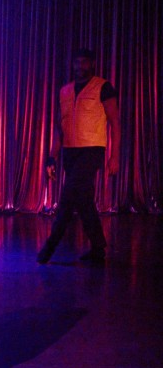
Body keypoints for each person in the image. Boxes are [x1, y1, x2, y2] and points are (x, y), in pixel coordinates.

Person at [37, 48, 121, 264]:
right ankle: (98, 248)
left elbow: (114, 122)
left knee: (68, 196)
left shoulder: (103, 87)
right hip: (70, 151)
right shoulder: (65, 91)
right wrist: (52, 157)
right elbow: (60, 127)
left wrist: (115, 156)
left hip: (92, 149)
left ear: (92, 64)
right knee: (83, 200)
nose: (80, 66)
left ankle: (50, 246)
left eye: (84, 62)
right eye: (77, 62)